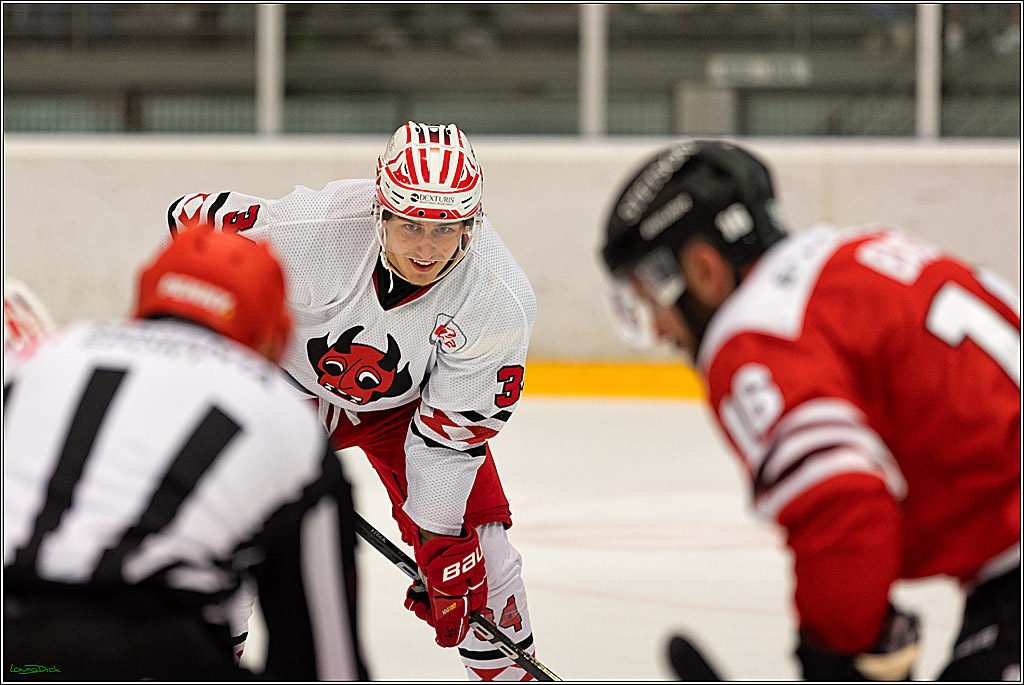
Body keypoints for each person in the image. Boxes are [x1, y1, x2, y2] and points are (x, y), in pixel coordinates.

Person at [600, 139, 1020, 681]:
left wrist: (833, 652)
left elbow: (843, 507)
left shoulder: (751, 337)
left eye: (653, 297)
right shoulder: (846, 254)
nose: (658, 329)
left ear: (704, 271)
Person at [165, 121, 539, 680]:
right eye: (411, 223)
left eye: (447, 227)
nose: (426, 247)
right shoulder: (314, 231)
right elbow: (188, 219)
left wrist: (439, 535)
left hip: (406, 410)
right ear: (381, 209)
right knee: (232, 542)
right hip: (285, 392)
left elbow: (450, 432)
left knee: (485, 564)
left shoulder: (496, 297)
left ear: (472, 222)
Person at [3, 229, 368, 681]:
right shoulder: (285, 418)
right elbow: (327, 668)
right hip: (146, 653)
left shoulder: (38, 359)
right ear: (274, 339)